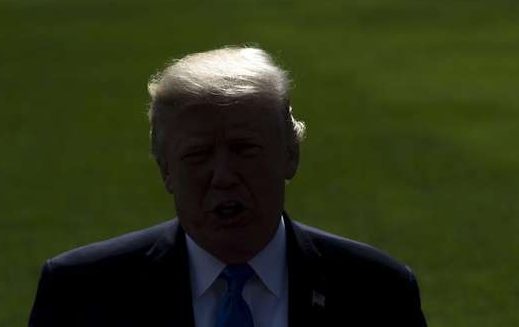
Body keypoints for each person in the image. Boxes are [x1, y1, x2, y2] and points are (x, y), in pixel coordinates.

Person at [29, 46, 427, 326]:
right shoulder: (81, 294)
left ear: (291, 155)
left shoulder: (377, 293)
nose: (222, 175)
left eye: (245, 149)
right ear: (165, 170)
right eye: (198, 155)